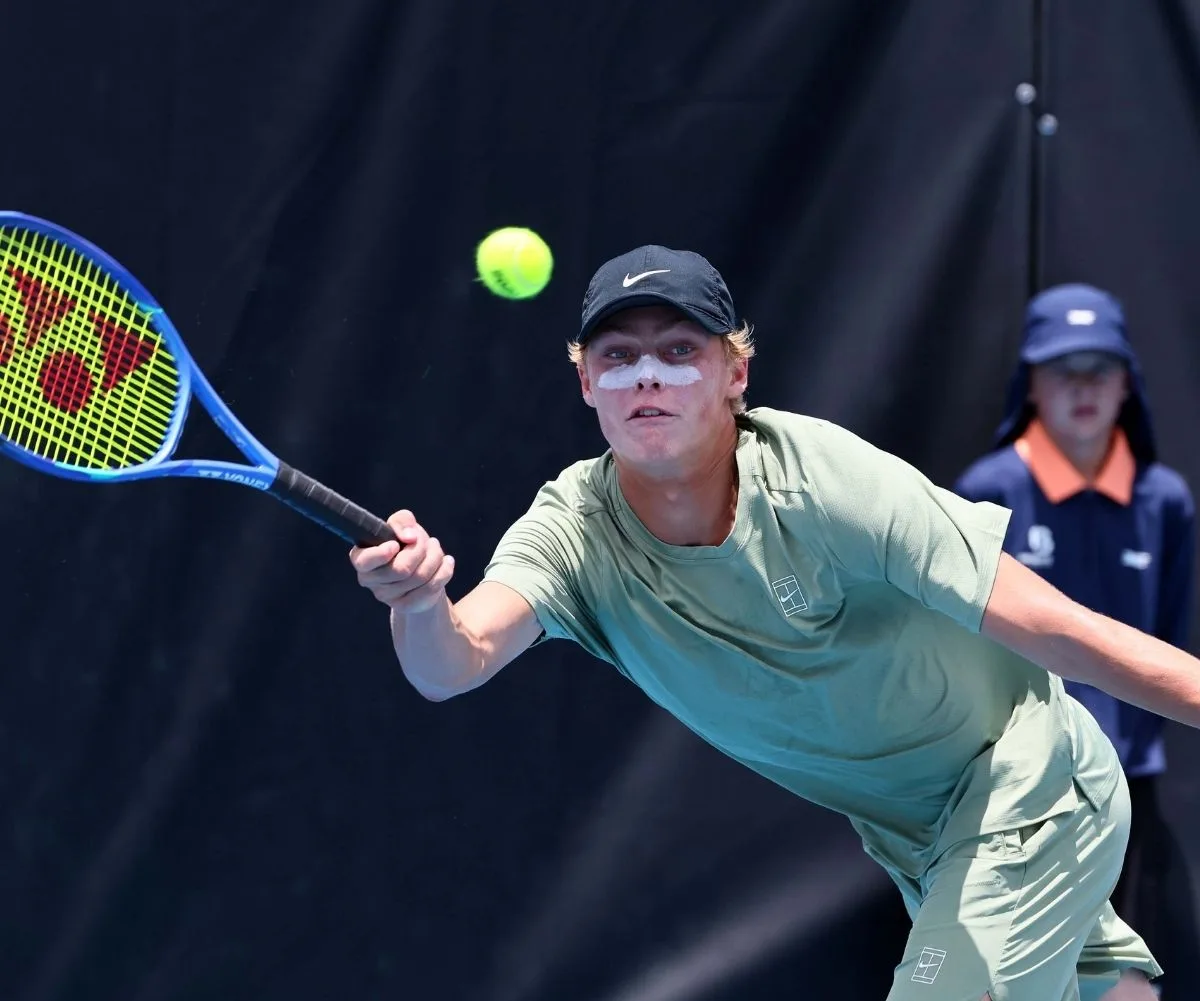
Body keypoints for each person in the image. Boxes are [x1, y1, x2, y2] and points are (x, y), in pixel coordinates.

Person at [350, 246, 1200, 1000]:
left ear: (735, 373)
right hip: (919, 839)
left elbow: (1064, 629)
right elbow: (450, 664)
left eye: (680, 351)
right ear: (585, 383)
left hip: (1026, 783)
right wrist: (421, 604)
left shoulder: (829, 484)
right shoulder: (572, 531)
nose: (647, 374)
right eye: (619, 355)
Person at [954, 284, 1198, 998]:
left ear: (1128, 382)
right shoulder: (988, 489)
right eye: (1064, 367)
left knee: (1122, 971)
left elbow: (1170, 632)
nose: (1083, 386)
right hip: (1018, 784)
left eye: (1101, 366)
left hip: (1130, 779)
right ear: (1031, 382)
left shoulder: (1166, 499)